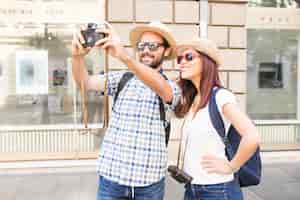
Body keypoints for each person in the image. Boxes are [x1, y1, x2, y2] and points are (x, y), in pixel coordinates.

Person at [102, 33, 260, 199]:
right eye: (180, 59)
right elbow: (161, 86)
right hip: (192, 188)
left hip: (217, 189)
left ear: (207, 62)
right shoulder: (193, 99)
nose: (182, 62)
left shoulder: (220, 96)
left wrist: (231, 167)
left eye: (189, 57)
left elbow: (252, 136)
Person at [71, 21, 181, 200]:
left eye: (153, 45)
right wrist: (77, 57)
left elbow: (163, 89)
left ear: (166, 51)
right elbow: (85, 83)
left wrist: (124, 56)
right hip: (112, 179)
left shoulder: (172, 86)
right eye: (142, 45)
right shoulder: (123, 78)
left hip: (149, 182)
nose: (146, 50)